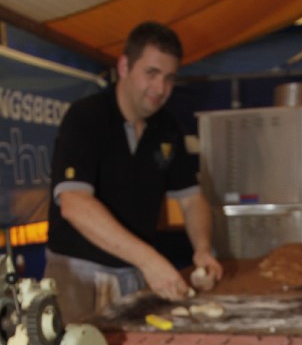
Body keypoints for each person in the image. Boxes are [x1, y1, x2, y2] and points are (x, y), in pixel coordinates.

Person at [44, 21, 222, 322]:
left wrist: (203, 250)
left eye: (169, 78)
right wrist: (149, 260)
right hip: (78, 279)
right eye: (151, 73)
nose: (160, 89)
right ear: (124, 66)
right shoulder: (86, 117)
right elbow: (74, 204)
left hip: (135, 275)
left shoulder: (168, 129)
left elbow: (192, 199)